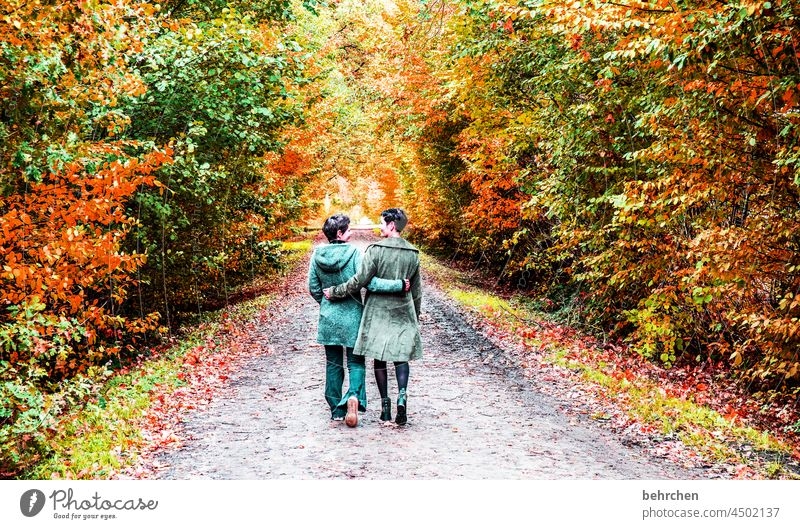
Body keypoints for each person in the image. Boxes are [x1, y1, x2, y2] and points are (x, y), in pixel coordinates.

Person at [308, 214, 408, 427]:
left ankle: (336, 410)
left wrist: (327, 305)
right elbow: (369, 284)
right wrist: (398, 285)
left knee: (333, 364)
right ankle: (353, 396)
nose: (352, 233)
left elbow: (314, 288)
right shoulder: (354, 253)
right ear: (339, 233)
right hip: (354, 316)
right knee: (355, 363)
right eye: (349, 230)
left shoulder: (317, 254)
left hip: (328, 319)